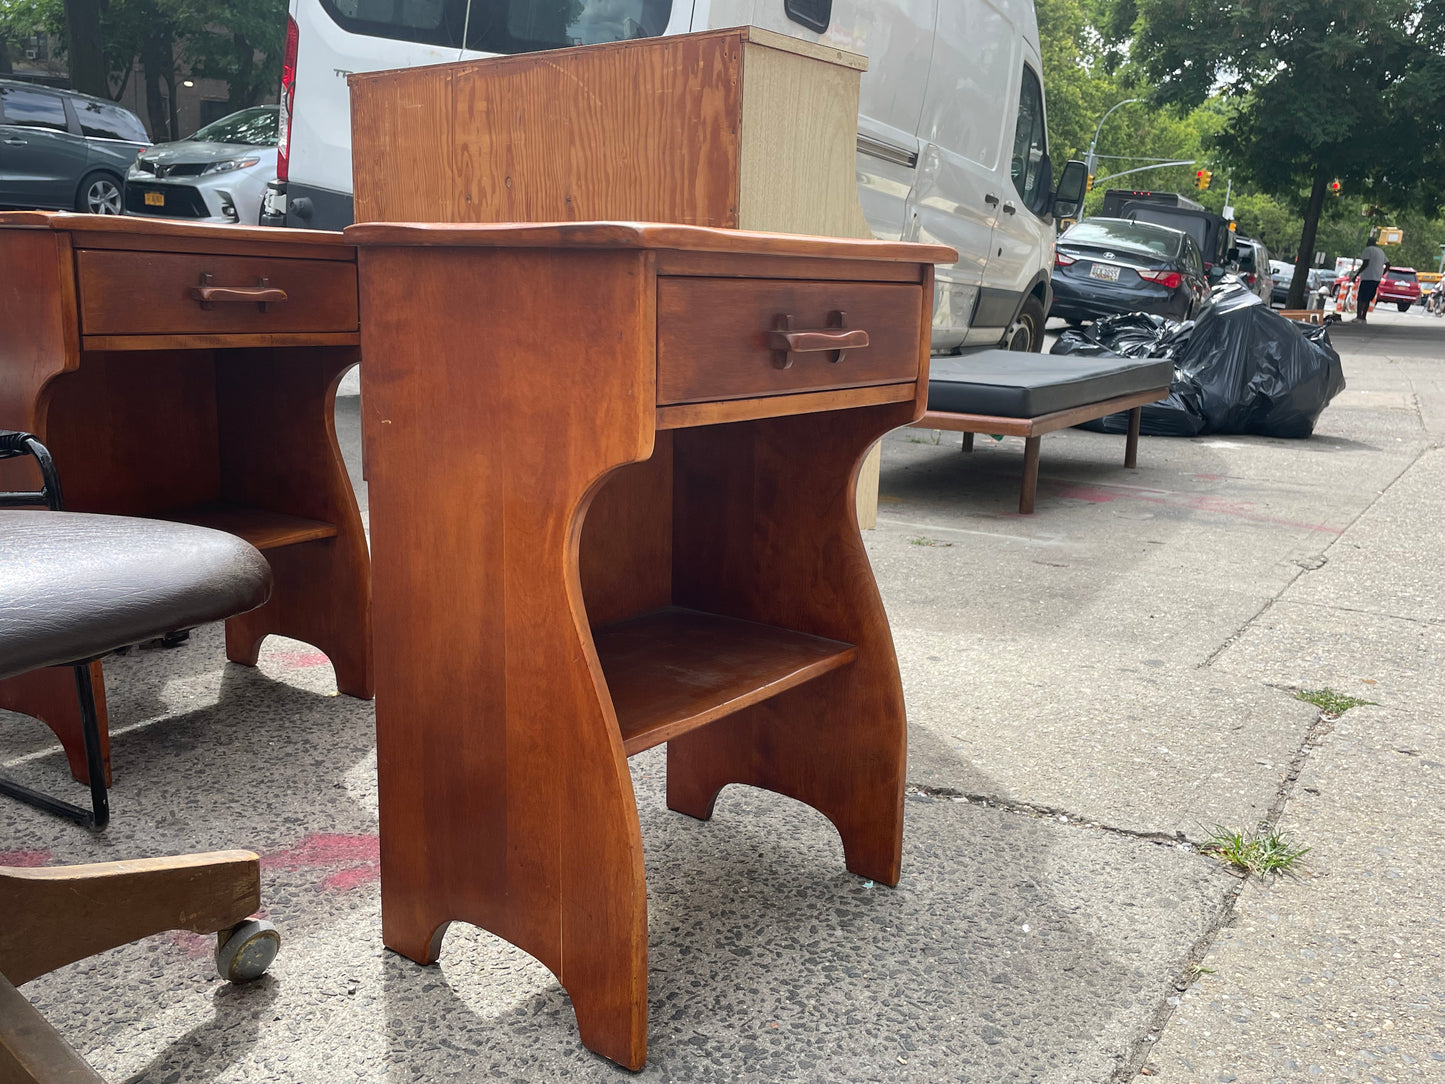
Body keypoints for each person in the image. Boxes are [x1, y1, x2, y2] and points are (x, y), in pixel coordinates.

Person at [1350, 233, 1387, 322]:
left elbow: (1365, 263)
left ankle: (1358, 317)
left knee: (1361, 297)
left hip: (1367, 277)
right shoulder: (1381, 251)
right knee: (1368, 298)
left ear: (1369, 243)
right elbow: (1388, 264)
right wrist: (1381, 273)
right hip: (1376, 279)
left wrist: (1356, 274)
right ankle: (1363, 317)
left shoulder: (1368, 250)